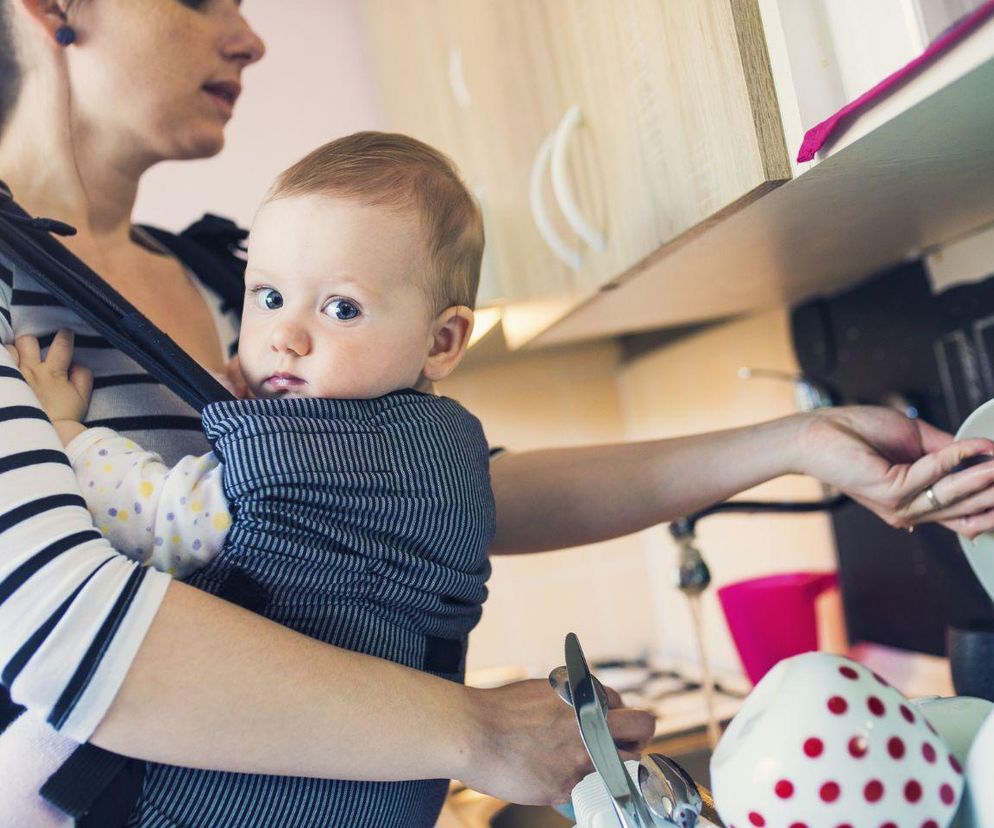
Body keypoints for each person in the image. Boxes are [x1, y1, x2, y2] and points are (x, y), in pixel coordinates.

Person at [2, 0, 994, 826]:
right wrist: (473, 730)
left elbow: (453, 495)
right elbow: (65, 634)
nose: (250, 35)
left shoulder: (242, 279)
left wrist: (795, 443)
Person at [9, 128, 512, 827]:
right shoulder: (446, 444)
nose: (286, 336)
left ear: (441, 340)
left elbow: (161, 518)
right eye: (269, 298)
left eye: (341, 309)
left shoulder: (302, 463)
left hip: (241, 794)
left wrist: (68, 434)